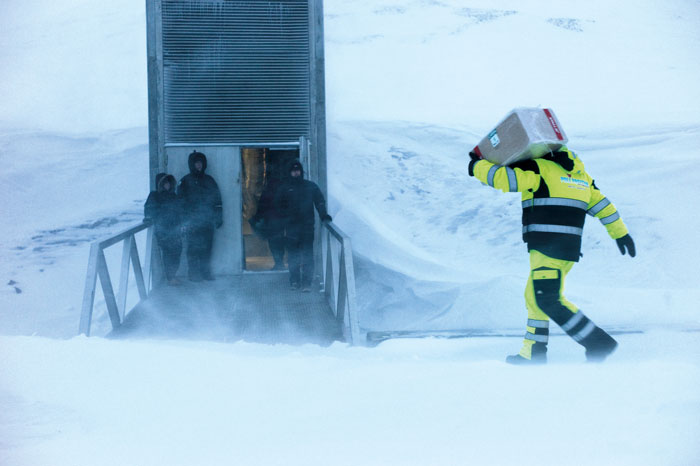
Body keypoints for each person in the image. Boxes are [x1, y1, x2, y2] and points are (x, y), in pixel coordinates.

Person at [467, 147, 636, 364]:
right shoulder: (580, 177)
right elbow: (604, 206)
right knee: (534, 297)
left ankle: (597, 342)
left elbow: (505, 179)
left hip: (547, 247)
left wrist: (476, 165)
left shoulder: (540, 168)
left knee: (547, 299)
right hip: (567, 249)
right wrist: (621, 234)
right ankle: (533, 353)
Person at [275, 160, 332, 291]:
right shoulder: (284, 188)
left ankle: (306, 282)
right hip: (291, 229)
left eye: (298, 170)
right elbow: (277, 206)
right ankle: (294, 281)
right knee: (293, 255)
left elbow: (320, 202)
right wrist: (282, 220)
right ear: (290, 172)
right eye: (293, 170)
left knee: (307, 255)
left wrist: (323, 215)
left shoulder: (310, 186)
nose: (296, 172)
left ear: (301, 172)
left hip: (307, 228)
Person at [177, 150, 223, 282]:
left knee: (207, 248)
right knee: (192, 248)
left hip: (207, 221)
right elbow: (180, 203)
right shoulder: (184, 181)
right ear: (192, 164)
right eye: (196, 163)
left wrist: (218, 217)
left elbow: (217, 200)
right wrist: (183, 221)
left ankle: (205, 273)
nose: (199, 165)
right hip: (192, 222)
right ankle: (193, 274)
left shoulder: (209, 180)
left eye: (201, 163)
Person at [144, 173, 183, 285]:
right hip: (163, 230)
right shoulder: (154, 195)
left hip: (175, 229)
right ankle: (170, 278)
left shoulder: (173, 196)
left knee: (177, 252)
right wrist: (148, 217)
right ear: (160, 184)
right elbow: (149, 208)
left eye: (168, 182)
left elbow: (180, 211)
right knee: (168, 253)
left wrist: (182, 224)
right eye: (165, 183)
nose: (167, 185)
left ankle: (172, 275)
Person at [250, 168, 286, 270]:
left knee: (274, 243)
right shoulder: (282, 188)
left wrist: (257, 218)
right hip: (279, 220)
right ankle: (280, 263)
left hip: (271, 220)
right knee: (279, 242)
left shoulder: (268, 190)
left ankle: (278, 262)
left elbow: (262, 206)